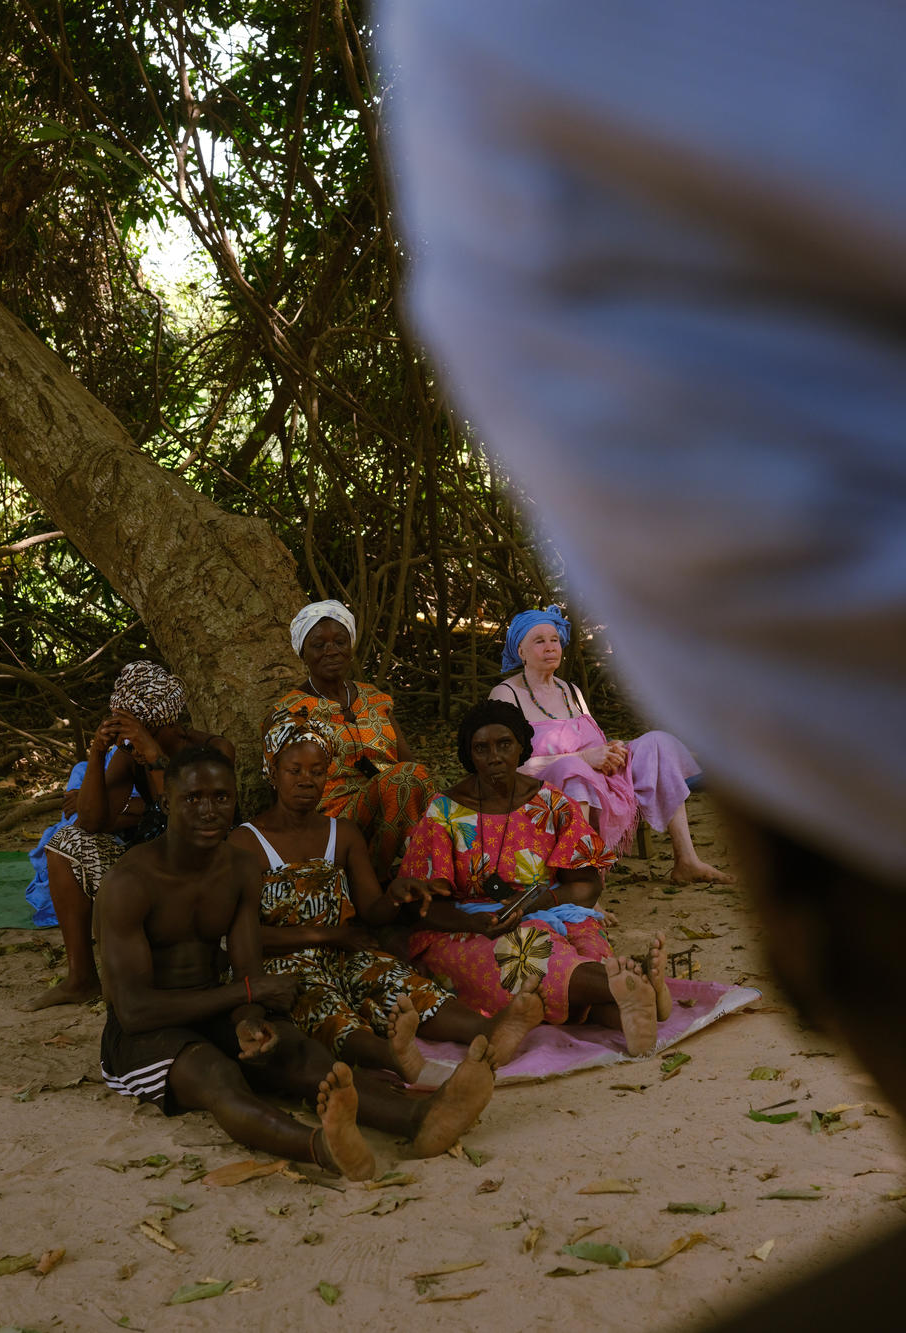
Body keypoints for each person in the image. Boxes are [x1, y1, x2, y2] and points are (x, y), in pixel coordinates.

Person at [378, 4, 906, 1321]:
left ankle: (624, 948)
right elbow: (431, 904)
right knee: (528, 975)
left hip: (562, 882)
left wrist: (582, 787)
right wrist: (510, 897)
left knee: (618, 823)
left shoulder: (552, 722)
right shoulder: (455, 801)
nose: (540, 669)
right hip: (502, 925)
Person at [95, 744, 501, 1176]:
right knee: (217, 1076)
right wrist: (246, 993)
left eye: (220, 798)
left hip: (215, 1003)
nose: (208, 810)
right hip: (145, 1032)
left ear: (235, 800)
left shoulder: (237, 867)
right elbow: (135, 1009)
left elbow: (247, 962)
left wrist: (248, 1019)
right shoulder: (130, 882)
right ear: (166, 803)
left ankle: (418, 1119)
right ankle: (323, 1148)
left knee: (302, 1055)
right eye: (192, 798)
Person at [228, 708, 544, 1080]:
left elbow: (373, 911)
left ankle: (490, 1031)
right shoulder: (246, 842)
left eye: (316, 772)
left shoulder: (341, 833)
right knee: (324, 1006)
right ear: (273, 772)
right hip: (285, 962)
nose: (306, 781)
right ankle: (398, 1059)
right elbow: (244, 938)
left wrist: (395, 894)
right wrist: (330, 935)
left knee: (403, 986)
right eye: (294, 771)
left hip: (347, 952)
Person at [400, 700, 673, 1057]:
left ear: (521, 747)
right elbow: (423, 906)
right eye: (481, 748)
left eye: (504, 744)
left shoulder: (552, 804)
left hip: (552, 910)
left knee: (583, 945)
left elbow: (587, 885)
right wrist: (477, 922)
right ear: (468, 755)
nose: (494, 756)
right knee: (528, 955)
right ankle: (633, 986)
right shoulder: (443, 812)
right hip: (470, 928)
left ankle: (625, 998)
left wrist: (542, 901)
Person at [29, 660, 234, 1010]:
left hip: (200, 875)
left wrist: (156, 760)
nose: (127, 742)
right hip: (147, 874)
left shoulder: (214, 751)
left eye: (133, 730)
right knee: (64, 844)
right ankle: (81, 978)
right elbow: (89, 822)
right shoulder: (128, 755)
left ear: (162, 723)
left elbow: (189, 827)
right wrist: (97, 753)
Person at [489, 606, 732, 883]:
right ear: (520, 651)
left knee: (657, 743)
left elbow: (594, 742)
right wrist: (582, 758)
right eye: (539, 641)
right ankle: (584, 882)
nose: (550, 647)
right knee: (574, 769)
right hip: (544, 788)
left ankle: (687, 860)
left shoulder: (571, 691)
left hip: (596, 776)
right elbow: (506, 766)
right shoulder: (506, 695)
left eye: (554, 639)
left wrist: (611, 749)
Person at [272, 599, 434, 880]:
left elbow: (409, 762)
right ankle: (376, 880)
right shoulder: (291, 711)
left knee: (417, 783)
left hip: (394, 807)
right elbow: (283, 785)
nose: (331, 651)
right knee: (403, 780)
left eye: (339, 641)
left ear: (351, 646)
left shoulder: (375, 697)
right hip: (331, 818)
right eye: (318, 645)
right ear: (303, 654)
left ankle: (429, 872)